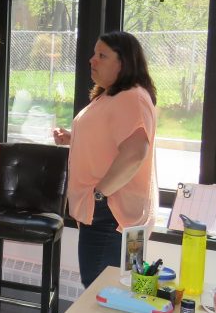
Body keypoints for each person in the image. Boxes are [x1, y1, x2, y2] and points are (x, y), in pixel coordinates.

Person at [52, 31, 158, 289]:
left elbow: (135, 152)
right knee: (113, 291)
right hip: (108, 214)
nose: (92, 60)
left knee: (102, 293)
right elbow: (111, 140)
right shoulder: (111, 95)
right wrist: (73, 137)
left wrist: (99, 196)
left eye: (102, 55)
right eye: (94, 54)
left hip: (110, 215)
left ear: (123, 62)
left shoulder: (130, 97)